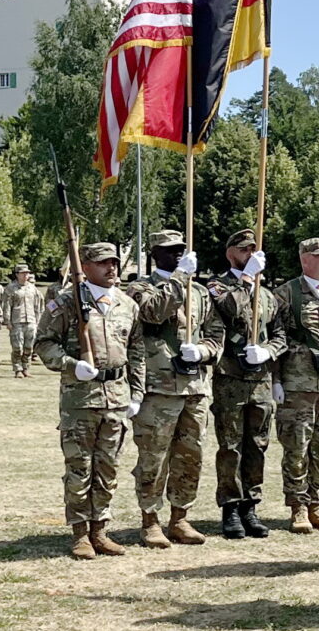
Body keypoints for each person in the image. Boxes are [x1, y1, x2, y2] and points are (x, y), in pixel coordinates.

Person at [34, 242, 189, 560]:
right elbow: (44, 343)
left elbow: (136, 351)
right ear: (86, 267)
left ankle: (100, 531)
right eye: (104, 263)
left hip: (116, 398)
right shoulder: (67, 303)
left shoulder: (126, 304)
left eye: (115, 262)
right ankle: (80, 533)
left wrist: (136, 392)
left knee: (108, 468)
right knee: (80, 468)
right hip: (81, 399)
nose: (112, 268)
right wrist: (71, 364)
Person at [127, 230, 214, 548]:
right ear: (154, 255)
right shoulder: (139, 288)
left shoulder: (201, 291)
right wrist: (180, 277)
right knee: (154, 456)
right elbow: (153, 312)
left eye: (180, 249)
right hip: (158, 387)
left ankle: (180, 518)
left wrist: (203, 351)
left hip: (194, 386)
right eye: (168, 250)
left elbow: (213, 333)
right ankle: (150, 521)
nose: (176, 254)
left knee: (191, 456)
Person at [204, 229, 285, 540]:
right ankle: (231, 507)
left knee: (258, 444)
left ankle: (251, 504)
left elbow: (279, 334)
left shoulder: (268, 293)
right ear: (230, 253)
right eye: (243, 249)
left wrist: (268, 351)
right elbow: (232, 309)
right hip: (231, 378)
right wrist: (245, 281)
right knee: (231, 446)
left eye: (254, 249)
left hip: (260, 379)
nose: (250, 254)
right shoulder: (217, 285)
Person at [274, 237, 319, 534]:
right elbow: (276, 339)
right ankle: (298, 507)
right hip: (297, 385)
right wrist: (276, 380)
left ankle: (317, 503)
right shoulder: (286, 294)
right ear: (305, 260)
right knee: (296, 448)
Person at [1, 264, 43, 377]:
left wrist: (38, 321)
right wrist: (7, 321)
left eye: (27, 273)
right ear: (17, 275)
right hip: (16, 321)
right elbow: (6, 306)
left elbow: (38, 307)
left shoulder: (33, 289)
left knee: (29, 347)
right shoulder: (11, 288)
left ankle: (26, 368)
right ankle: (17, 369)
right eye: (23, 273)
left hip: (31, 321)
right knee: (17, 347)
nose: (26, 275)